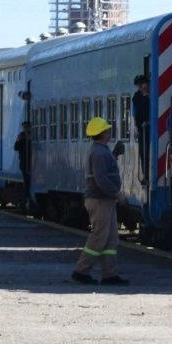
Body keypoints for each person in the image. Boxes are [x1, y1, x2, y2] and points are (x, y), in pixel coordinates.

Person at [72, 117, 129, 286]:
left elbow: (103, 170)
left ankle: (109, 274)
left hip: (104, 200)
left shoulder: (100, 151)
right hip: (100, 200)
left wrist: (114, 155)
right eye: (107, 129)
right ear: (102, 133)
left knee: (111, 239)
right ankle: (81, 271)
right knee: (99, 237)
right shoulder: (98, 152)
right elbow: (101, 178)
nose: (109, 131)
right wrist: (116, 193)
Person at [132, 74, 151, 185]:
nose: (140, 87)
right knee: (143, 152)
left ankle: (147, 174)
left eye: (142, 84)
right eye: (139, 85)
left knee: (146, 151)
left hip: (148, 129)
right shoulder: (137, 97)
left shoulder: (152, 96)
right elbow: (136, 113)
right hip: (142, 130)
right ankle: (145, 173)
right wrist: (138, 126)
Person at [13, 122, 31, 208]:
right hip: (24, 162)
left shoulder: (32, 135)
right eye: (24, 127)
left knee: (27, 180)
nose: (25, 129)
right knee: (26, 180)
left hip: (32, 161)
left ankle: (27, 198)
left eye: (27, 127)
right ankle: (26, 198)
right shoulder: (21, 136)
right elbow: (16, 147)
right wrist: (20, 140)